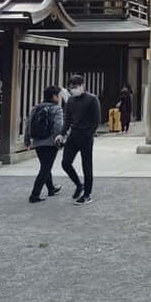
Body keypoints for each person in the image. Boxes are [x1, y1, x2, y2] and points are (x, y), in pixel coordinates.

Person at [59, 74, 101, 206]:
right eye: (71, 87)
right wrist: (62, 133)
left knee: (86, 165)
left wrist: (89, 133)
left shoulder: (92, 99)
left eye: (75, 87)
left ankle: (87, 194)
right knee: (65, 163)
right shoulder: (71, 101)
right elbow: (67, 119)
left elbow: (96, 121)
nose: (73, 89)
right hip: (73, 134)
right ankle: (79, 184)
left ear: (82, 85)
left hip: (86, 136)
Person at [24, 85, 64, 203]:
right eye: (58, 96)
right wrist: (59, 138)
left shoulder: (36, 108)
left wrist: (27, 140)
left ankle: (51, 188)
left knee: (45, 166)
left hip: (37, 142)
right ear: (54, 97)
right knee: (45, 168)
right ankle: (34, 194)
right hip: (50, 142)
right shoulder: (56, 109)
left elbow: (28, 124)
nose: (59, 98)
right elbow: (58, 125)